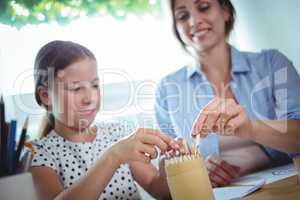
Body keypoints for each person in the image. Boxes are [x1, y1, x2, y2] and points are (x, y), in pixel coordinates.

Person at [155, 0, 300, 187]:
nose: (194, 21)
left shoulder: (272, 63)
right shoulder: (167, 88)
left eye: (204, 7)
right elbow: (169, 162)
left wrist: (251, 129)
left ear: (225, 11)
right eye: (183, 16)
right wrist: (196, 171)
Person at [30, 40, 180, 200]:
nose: (89, 98)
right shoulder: (39, 153)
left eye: (94, 85)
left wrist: (169, 173)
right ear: (45, 96)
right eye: (76, 88)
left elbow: (158, 189)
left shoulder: (117, 133)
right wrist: (113, 156)